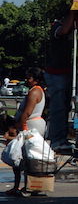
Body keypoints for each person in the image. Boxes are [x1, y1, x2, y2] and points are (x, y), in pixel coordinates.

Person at [45, 10, 78, 151]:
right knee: (58, 108)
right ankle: (57, 140)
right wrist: (73, 12)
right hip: (56, 74)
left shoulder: (69, 32)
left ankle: (61, 138)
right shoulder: (57, 27)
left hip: (64, 73)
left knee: (64, 107)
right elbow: (63, 30)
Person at [6, 67, 47, 198]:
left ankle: (26, 186)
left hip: (30, 125)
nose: (27, 80)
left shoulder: (34, 92)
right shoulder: (36, 90)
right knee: (25, 157)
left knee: (22, 157)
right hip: (32, 124)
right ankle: (22, 186)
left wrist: (18, 128)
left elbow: (27, 113)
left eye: (29, 77)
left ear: (36, 79)